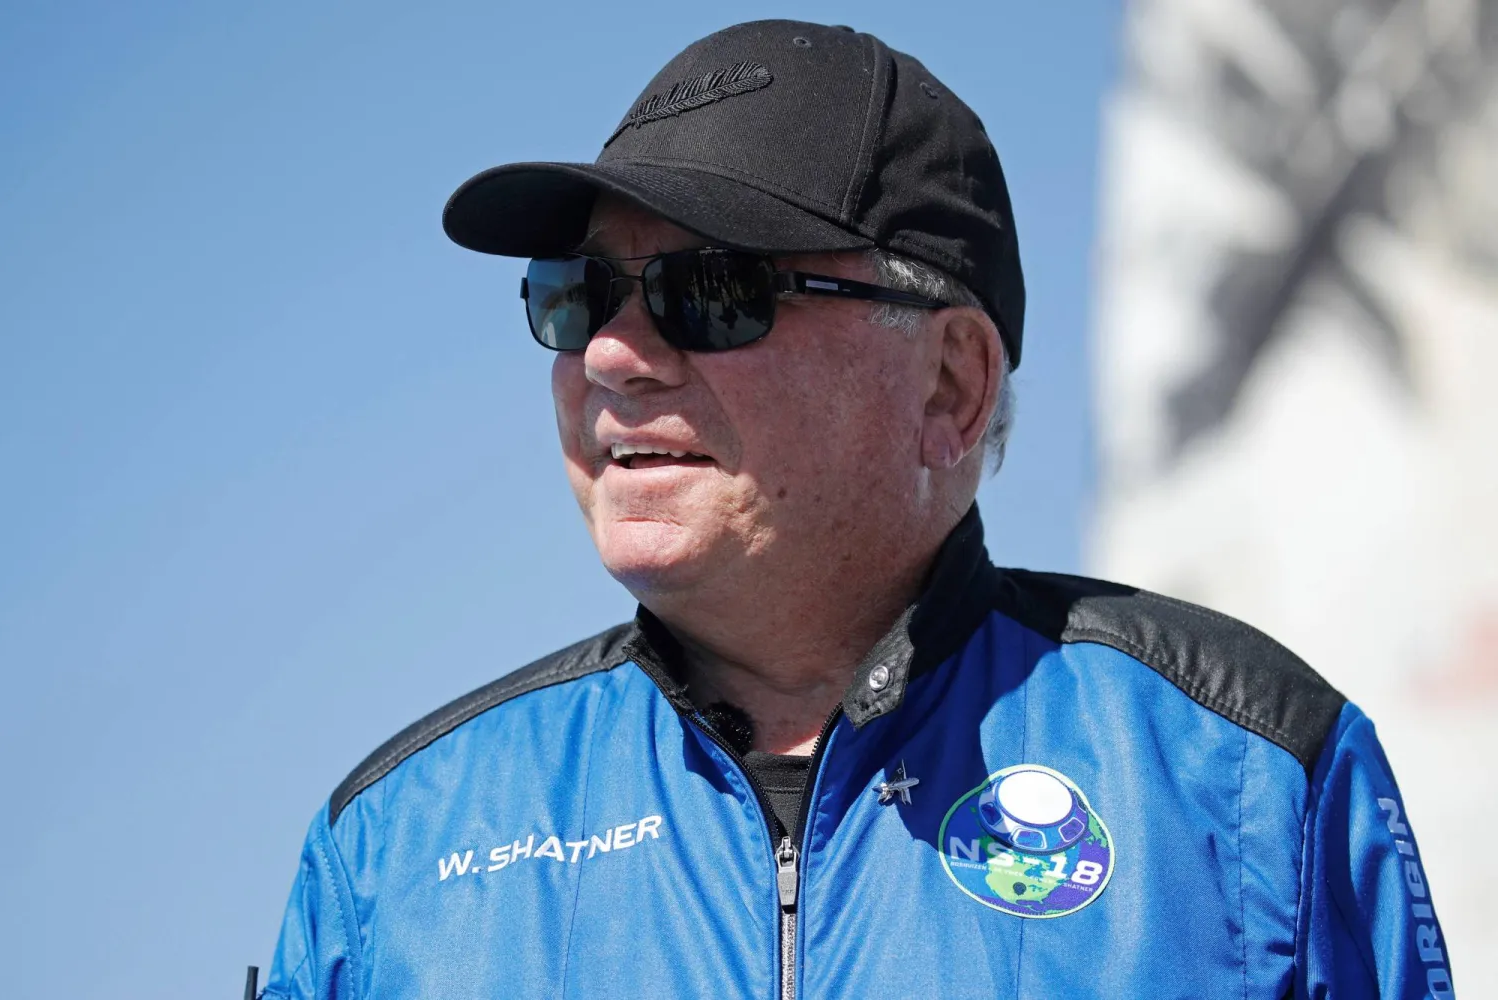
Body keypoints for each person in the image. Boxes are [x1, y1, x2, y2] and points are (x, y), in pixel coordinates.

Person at [262, 19, 1454, 1000]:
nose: (615, 353)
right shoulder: (395, 851)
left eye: (708, 288)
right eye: (578, 294)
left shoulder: (1247, 777)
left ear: (950, 383)